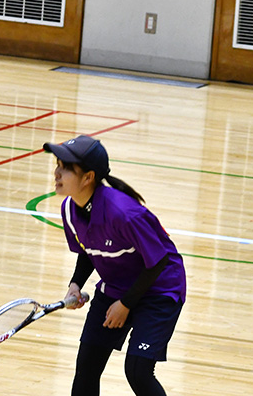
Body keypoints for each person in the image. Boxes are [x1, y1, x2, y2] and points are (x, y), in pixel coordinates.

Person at [43, 135, 186, 396]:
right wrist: (75, 284)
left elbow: (158, 261)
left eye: (65, 167)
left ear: (88, 178)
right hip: (116, 286)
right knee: (87, 365)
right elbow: (88, 249)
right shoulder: (69, 210)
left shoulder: (124, 214)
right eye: (57, 164)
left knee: (138, 371)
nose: (57, 172)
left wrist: (126, 304)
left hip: (159, 288)